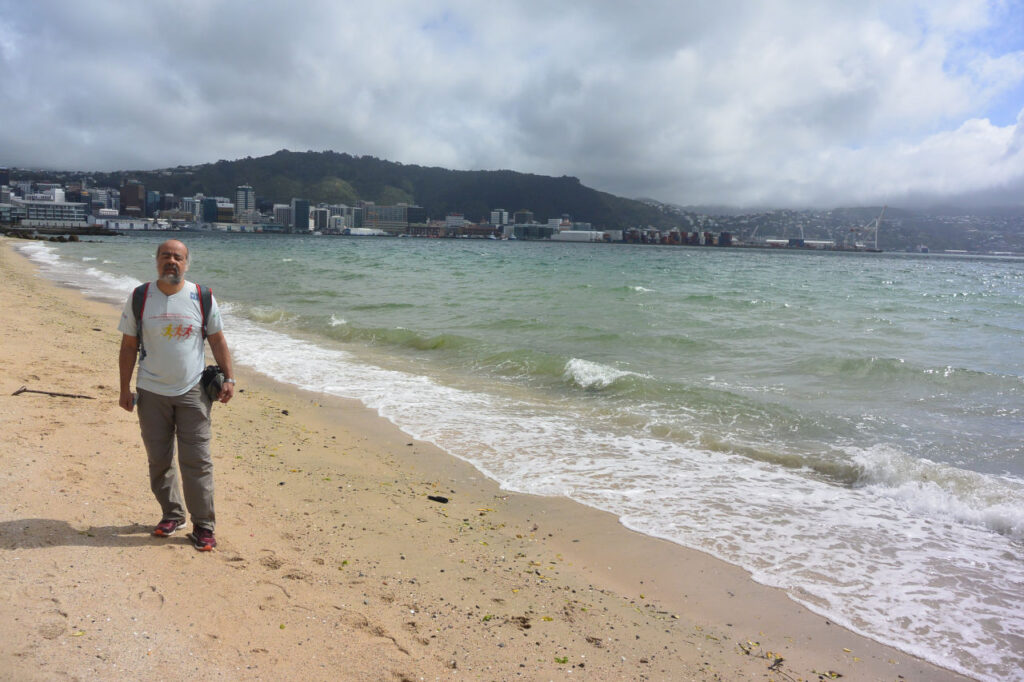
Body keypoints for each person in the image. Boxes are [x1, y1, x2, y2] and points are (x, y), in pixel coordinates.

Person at [117, 239, 235, 551]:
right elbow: (128, 346)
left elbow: (218, 340)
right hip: (151, 391)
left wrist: (230, 378)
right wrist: (123, 388)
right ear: (156, 261)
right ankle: (172, 514)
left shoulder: (201, 296)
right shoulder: (141, 297)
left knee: (197, 461)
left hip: (193, 391)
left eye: (178, 257)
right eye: (166, 256)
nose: (172, 261)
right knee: (159, 459)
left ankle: (204, 526)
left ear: (187, 263)